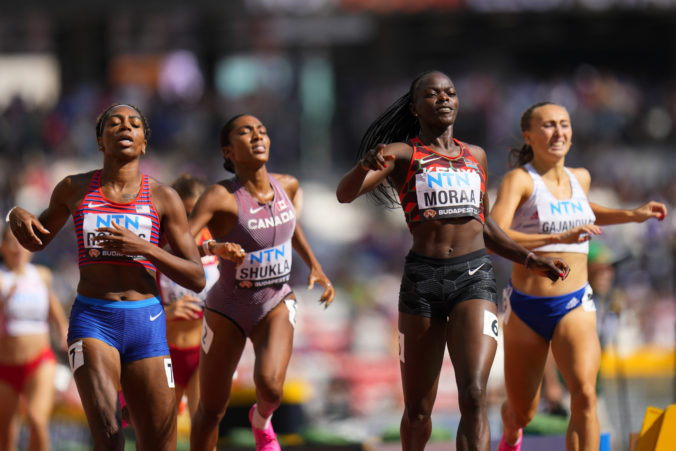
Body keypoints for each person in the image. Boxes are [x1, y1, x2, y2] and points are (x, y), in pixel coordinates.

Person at [335, 71, 569, 451]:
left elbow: (485, 225)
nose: (444, 99)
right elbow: (345, 195)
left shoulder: (475, 156)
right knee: (417, 412)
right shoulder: (401, 154)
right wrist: (364, 165)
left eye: (450, 93)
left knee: (475, 395)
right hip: (422, 283)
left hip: (474, 278)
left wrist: (530, 258)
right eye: (432, 94)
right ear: (415, 107)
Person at [6, 103, 206, 450]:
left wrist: (147, 249)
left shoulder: (164, 197)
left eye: (133, 124)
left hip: (148, 322)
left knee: (162, 443)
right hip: (94, 320)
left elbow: (197, 277)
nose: (124, 127)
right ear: (100, 141)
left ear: (144, 142)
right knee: (110, 438)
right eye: (114, 123)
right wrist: (14, 213)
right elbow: (35, 240)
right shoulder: (73, 188)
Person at [490, 101, 667, 451]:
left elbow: (586, 210)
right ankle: (511, 432)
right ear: (529, 135)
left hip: (574, 303)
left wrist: (632, 214)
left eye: (564, 124)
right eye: (548, 125)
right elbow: (494, 235)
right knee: (523, 411)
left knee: (584, 394)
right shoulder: (520, 181)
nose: (558, 132)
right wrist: (557, 238)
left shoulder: (580, 177)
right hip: (526, 309)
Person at [189, 114, 335, 451]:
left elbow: (289, 223)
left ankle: (262, 421)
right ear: (228, 151)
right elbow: (179, 243)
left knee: (270, 388)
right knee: (212, 409)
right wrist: (215, 247)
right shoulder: (219, 197)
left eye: (262, 131)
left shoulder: (289, 185)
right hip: (227, 308)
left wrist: (314, 265)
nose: (257, 136)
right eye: (245, 132)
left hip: (275, 301)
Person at [157, 173, 220, 420]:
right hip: (166, 351)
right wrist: (166, 311)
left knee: (204, 431)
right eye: (186, 212)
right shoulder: (159, 244)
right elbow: (134, 298)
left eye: (198, 212)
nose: (192, 220)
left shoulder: (215, 242)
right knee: (160, 435)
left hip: (204, 351)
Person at [0, 225, 68, 451]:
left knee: (37, 420)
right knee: (6, 433)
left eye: (21, 243)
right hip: (5, 366)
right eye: (11, 242)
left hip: (39, 361)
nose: (17, 248)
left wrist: (64, 332)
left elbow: (54, 310)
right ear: (3, 247)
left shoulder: (41, 275)